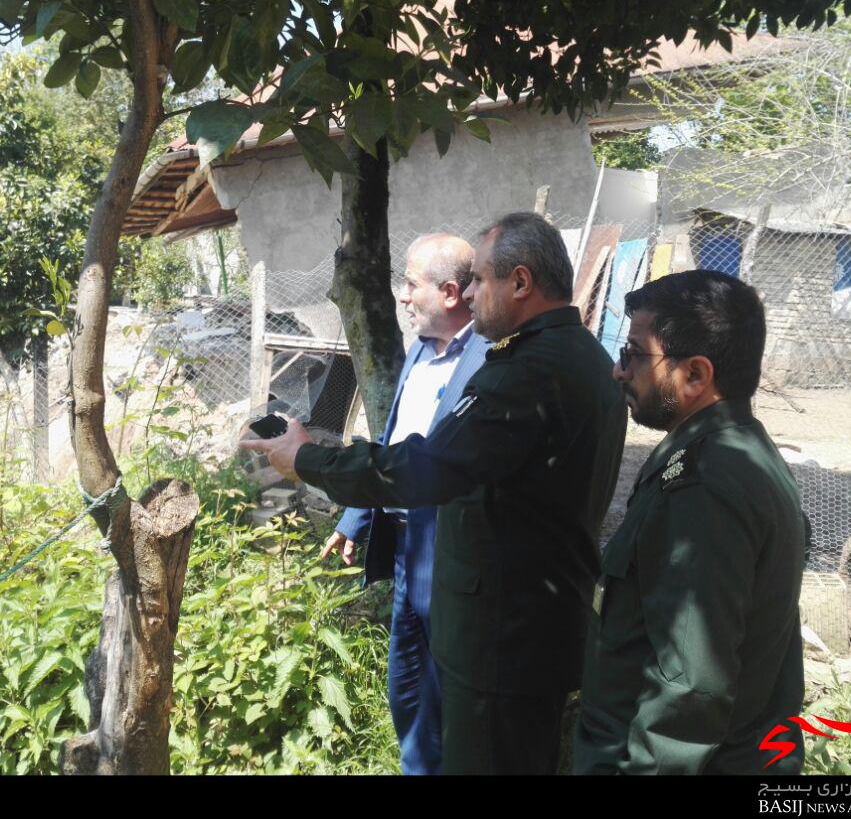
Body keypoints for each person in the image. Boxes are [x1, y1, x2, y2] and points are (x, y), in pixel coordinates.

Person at [244, 212, 628, 775]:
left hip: (505, 630)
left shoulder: (526, 370)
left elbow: (429, 466)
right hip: (524, 617)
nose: (471, 295)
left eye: (481, 281)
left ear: (520, 283)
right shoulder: (583, 358)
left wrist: (307, 459)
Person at [573, 270, 807, 775]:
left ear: (695, 376)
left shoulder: (705, 487)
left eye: (633, 355)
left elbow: (690, 688)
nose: (619, 372)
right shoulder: (731, 450)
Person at [320, 233, 489, 776]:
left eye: (411, 285)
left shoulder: (490, 359)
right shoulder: (418, 350)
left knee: (449, 695)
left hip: (453, 550)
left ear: (448, 292)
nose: (403, 297)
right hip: (408, 548)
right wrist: (356, 515)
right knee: (408, 687)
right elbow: (396, 442)